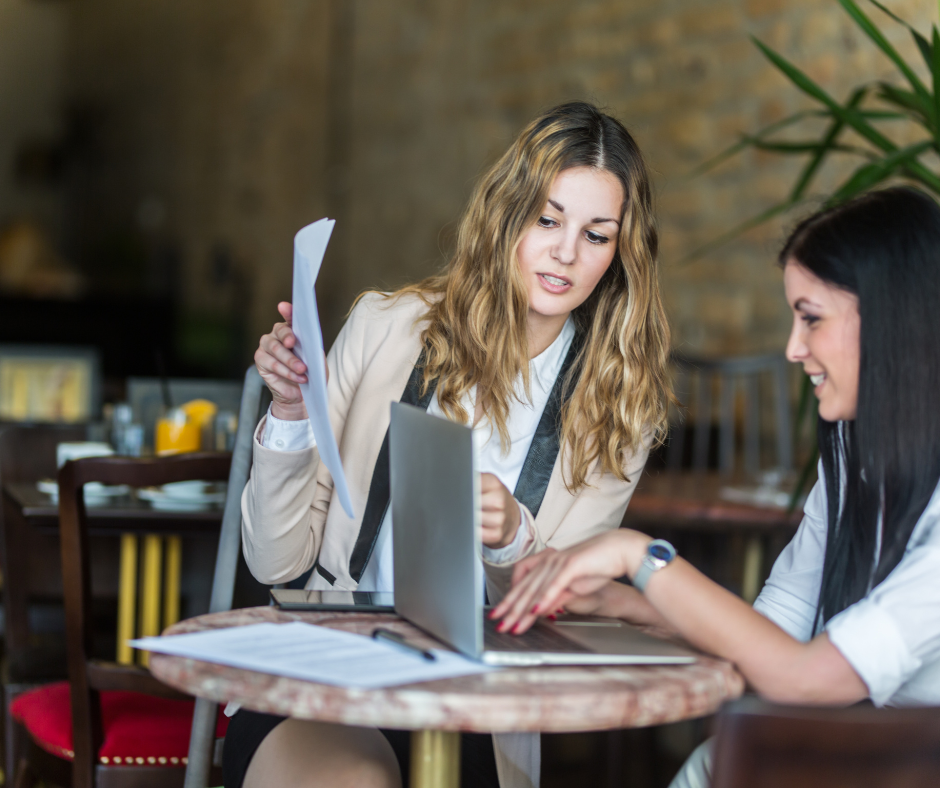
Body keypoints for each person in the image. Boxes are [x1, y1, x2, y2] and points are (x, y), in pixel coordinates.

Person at [222, 101, 674, 788]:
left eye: (596, 235)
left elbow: (568, 614)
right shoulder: (385, 329)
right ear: (505, 214)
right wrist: (290, 412)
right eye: (547, 219)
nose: (565, 253)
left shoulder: (618, 411)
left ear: (619, 252)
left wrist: (513, 537)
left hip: (480, 707)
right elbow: (275, 558)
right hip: (330, 676)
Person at [493, 186, 940, 787]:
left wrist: (640, 555)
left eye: (811, 318)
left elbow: (806, 677)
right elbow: (771, 638)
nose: (793, 348)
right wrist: (617, 603)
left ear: (893, 320)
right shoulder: (854, 468)